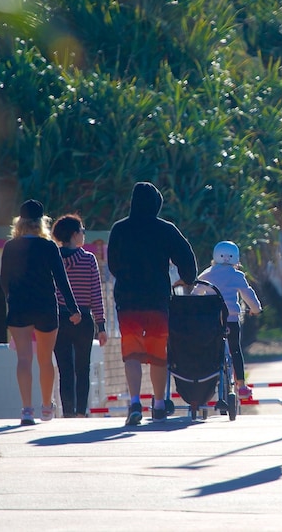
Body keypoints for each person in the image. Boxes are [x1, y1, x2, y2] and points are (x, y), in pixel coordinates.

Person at [108, 182, 197, 425]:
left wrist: (127, 278)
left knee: (132, 353)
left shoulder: (119, 229)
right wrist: (188, 279)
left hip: (128, 301)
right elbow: (187, 258)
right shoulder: (166, 229)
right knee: (158, 354)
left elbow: (113, 265)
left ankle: (135, 402)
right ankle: (158, 405)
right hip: (157, 300)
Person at [0, 199, 81, 426]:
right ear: (41, 223)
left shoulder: (10, 247)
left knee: (24, 358)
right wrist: (74, 309)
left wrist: (11, 299)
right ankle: (47, 407)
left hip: (19, 308)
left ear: (20, 222)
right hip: (45, 307)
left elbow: (4, 280)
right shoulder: (49, 247)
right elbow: (62, 281)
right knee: (46, 359)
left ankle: (27, 410)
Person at [51, 214, 108, 418]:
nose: (84, 234)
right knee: (83, 369)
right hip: (84, 319)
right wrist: (101, 326)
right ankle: (80, 413)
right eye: (82, 230)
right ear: (75, 234)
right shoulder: (88, 259)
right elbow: (96, 295)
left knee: (65, 370)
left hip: (59, 320)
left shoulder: (52, 258)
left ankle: (67, 412)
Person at [193, 241, 262, 400]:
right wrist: (256, 309)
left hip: (211, 322)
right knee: (235, 350)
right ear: (236, 258)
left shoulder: (206, 274)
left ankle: (205, 381)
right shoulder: (237, 276)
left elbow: (196, 293)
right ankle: (242, 386)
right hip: (231, 320)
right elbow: (248, 294)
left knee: (209, 349)